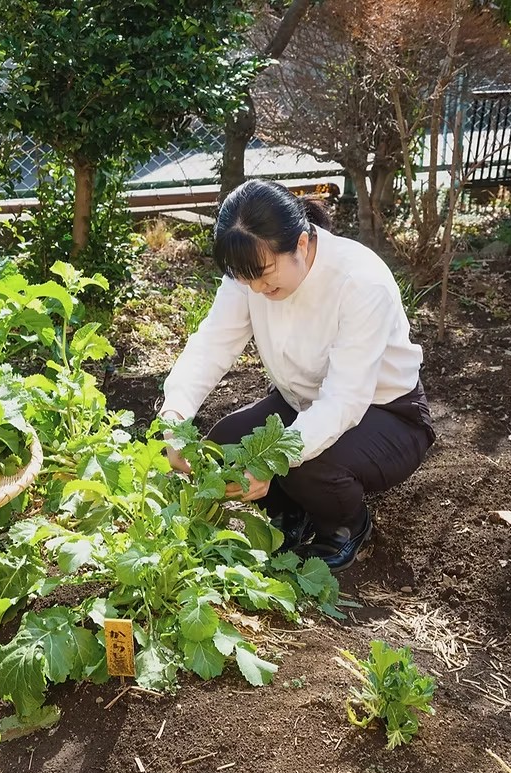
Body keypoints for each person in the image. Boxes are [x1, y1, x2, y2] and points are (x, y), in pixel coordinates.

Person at [161, 179, 435, 571]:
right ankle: (290, 514)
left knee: (307, 463)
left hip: (388, 415)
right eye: (245, 279)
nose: (256, 288)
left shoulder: (359, 281)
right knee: (223, 445)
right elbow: (211, 346)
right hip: (303, 401)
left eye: (264, 274)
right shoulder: (250, 274)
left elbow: (345, 401)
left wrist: (271, 462)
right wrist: (174, 418)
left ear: (301, 244)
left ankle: (346, 528)